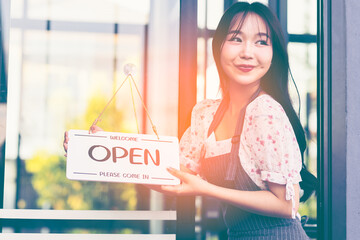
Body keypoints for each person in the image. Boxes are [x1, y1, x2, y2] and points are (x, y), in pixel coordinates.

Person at [64, 2, 317, 239]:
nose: (247, 52)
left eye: (261, 42)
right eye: (236, 39)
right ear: (219, 47)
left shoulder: (266, 111)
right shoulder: (206, 114)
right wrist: (106, 150)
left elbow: (287, 204)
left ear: (274, 54)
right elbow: (174, 177)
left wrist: (205, 189)